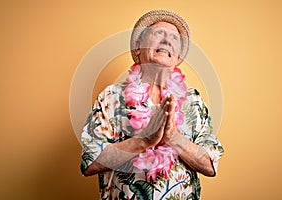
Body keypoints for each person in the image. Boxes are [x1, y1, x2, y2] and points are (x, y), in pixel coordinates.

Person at [80, 10, 224, 200]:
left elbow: (209, 165)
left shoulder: (193, 101)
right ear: (138, 46)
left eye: (174, 38)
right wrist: (144, 141)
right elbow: (90, 162)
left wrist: (173, 137)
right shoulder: (111, 96)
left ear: (178, 56)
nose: (166, 40)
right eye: (158, 34)